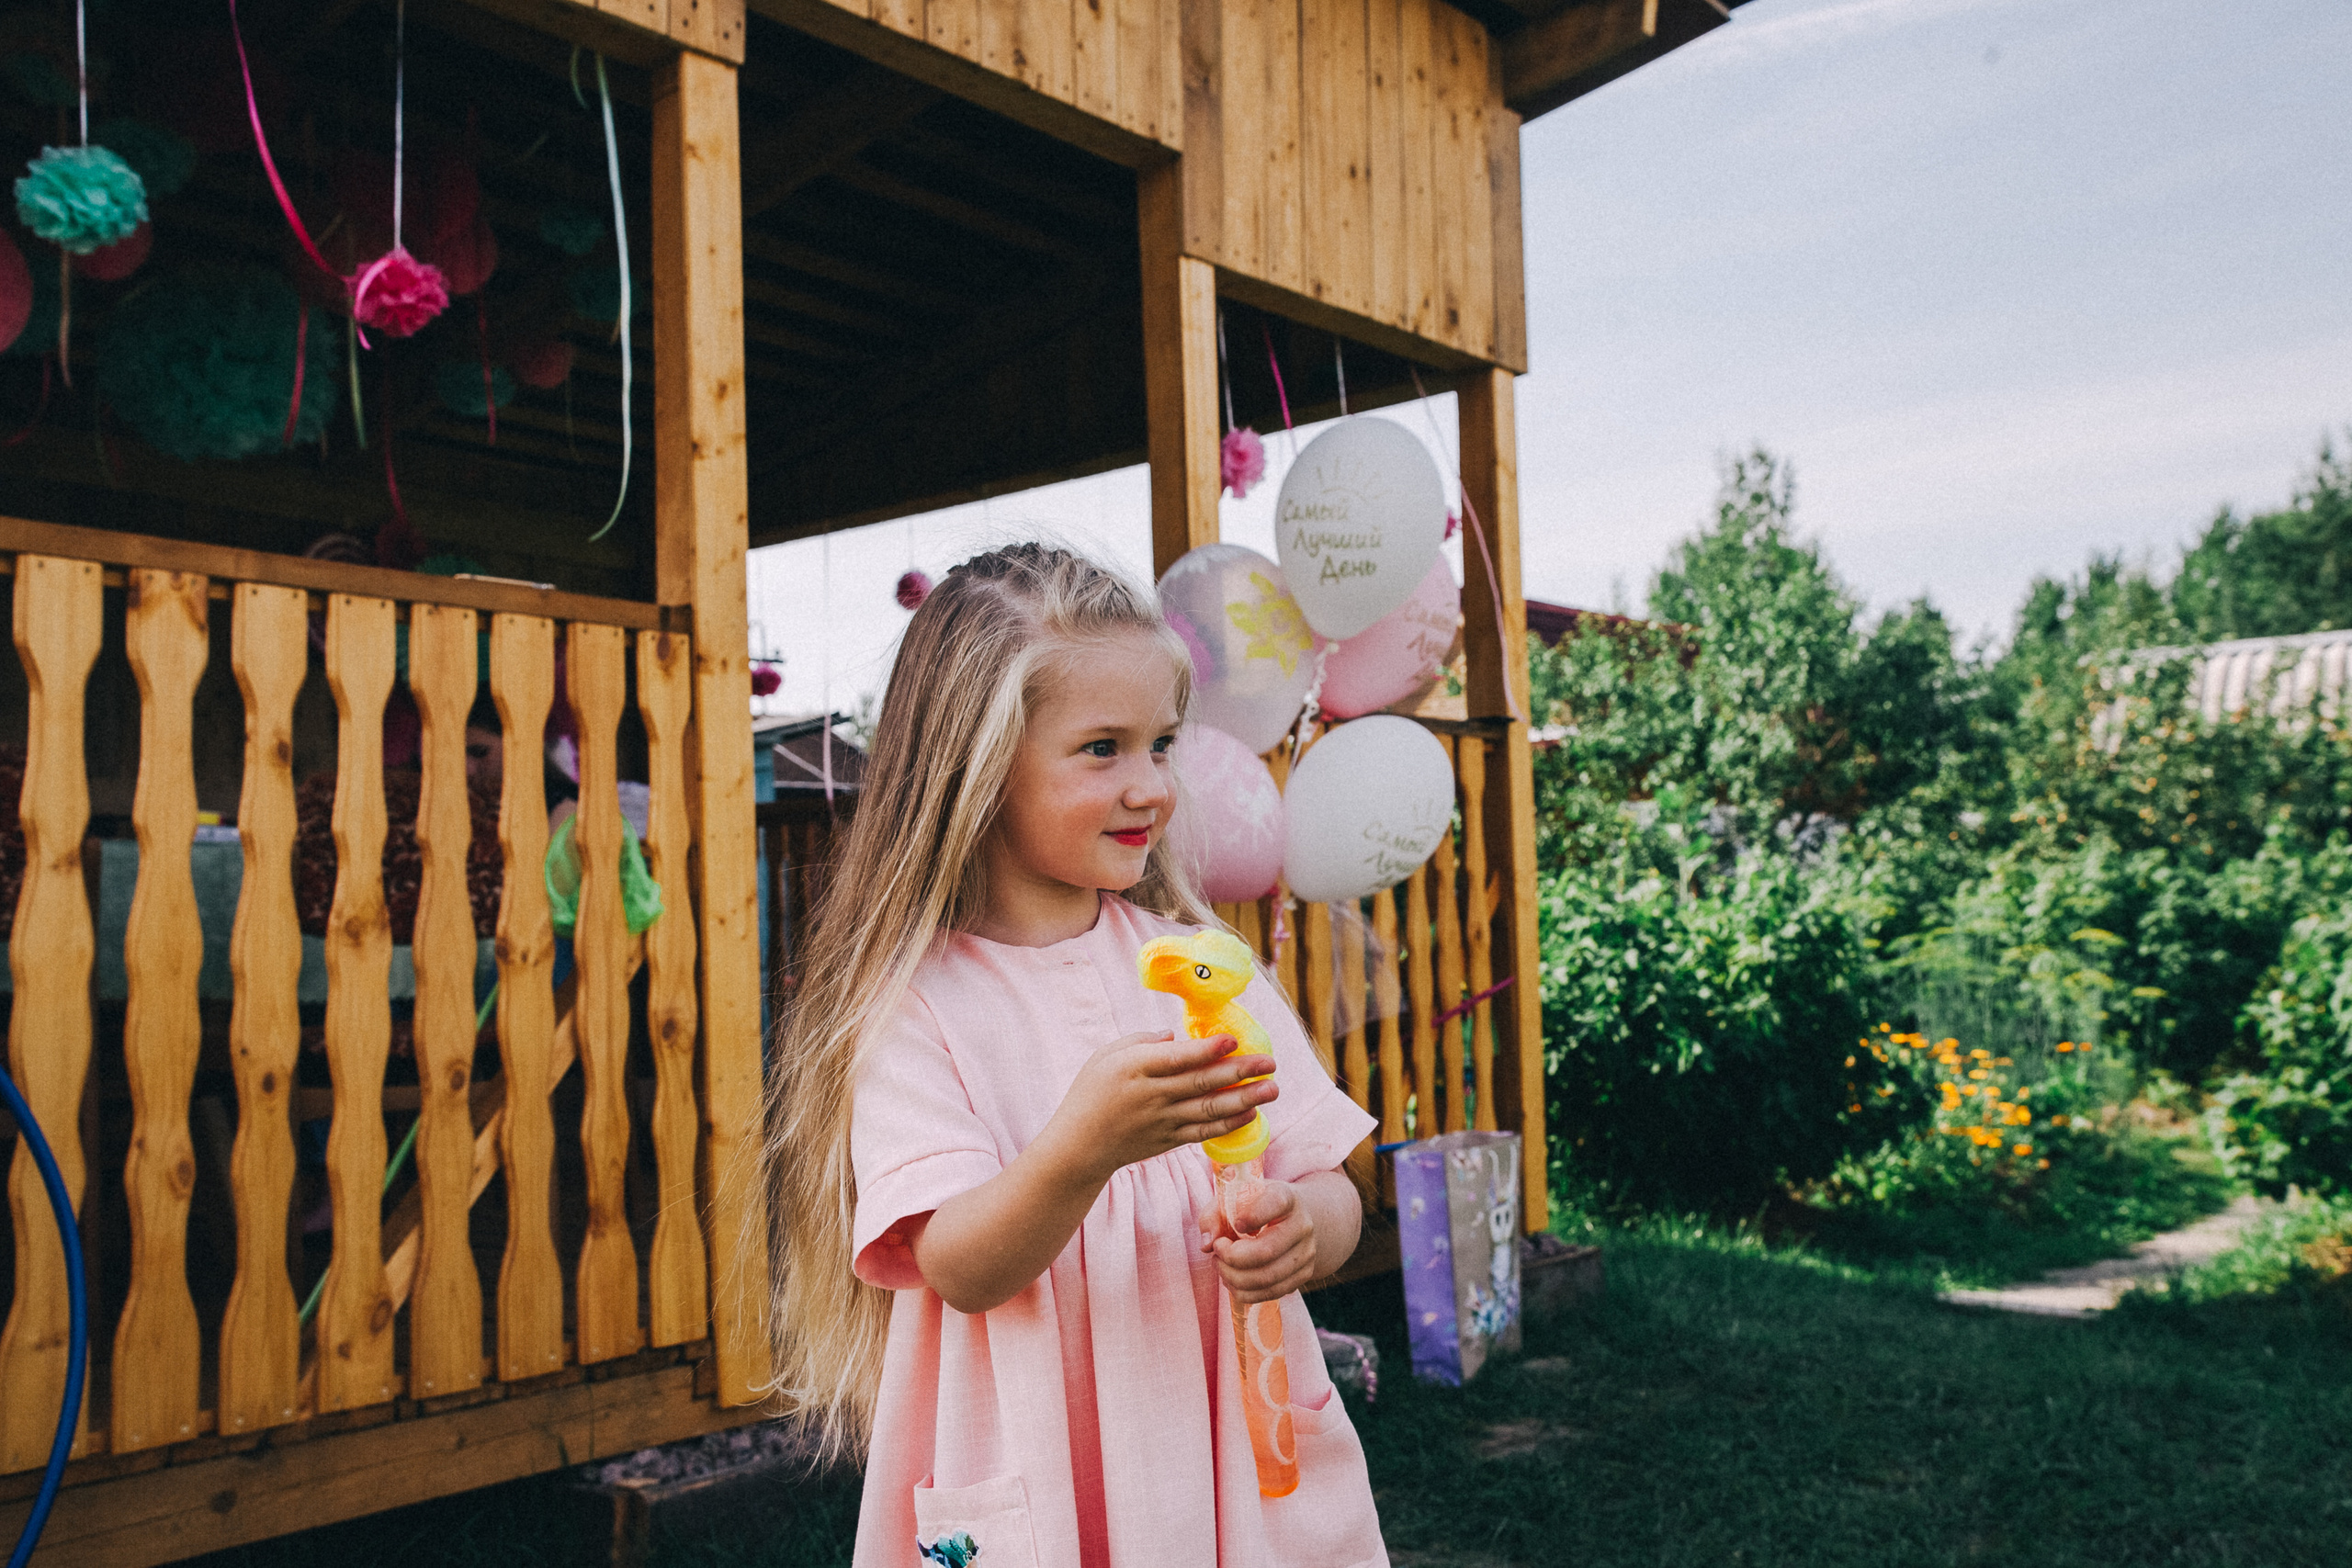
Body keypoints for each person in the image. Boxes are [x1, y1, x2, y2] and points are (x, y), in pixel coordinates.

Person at [762, 545, 1388, 1568]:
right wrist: (1082, 1148)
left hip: (1232, 1448)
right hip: (1041, 1474)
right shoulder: (913, 1008)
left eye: (1162, 745)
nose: (1151, 785)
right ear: (976, 763)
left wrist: (1303, 1229)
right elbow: (959, 1267)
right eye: (1102, 748)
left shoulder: (1198, 972)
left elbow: (1327, 1179)